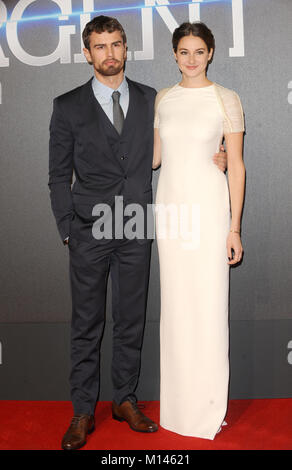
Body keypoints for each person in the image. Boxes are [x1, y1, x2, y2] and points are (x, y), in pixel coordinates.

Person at [48, 16, 228, 450]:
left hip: (138, 227)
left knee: (130, 321)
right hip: (90, 231)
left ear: (126, 49)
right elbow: (57, 176)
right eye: (100, 46)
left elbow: (182, 138)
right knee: (87, 324)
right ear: (87, 53)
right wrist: (69, 230)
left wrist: (213, 157)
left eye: (115, 45)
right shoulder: (67, 104)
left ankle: (124, 400)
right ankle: (82, 411)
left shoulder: (154, 98)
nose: (109, 54)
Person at [153, 22, 245, 440]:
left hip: (209, 211)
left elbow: (237, 165)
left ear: (211, 53)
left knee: (208, 307)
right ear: (174, 55)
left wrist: (234, 228)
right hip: (171, 212)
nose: (191, 59)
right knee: (176, 308)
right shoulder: (162, 99)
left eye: (199, 51)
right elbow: (154, 159)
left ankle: (209, 405)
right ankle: (178, 406)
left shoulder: (226, 98)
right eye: (183, 52)